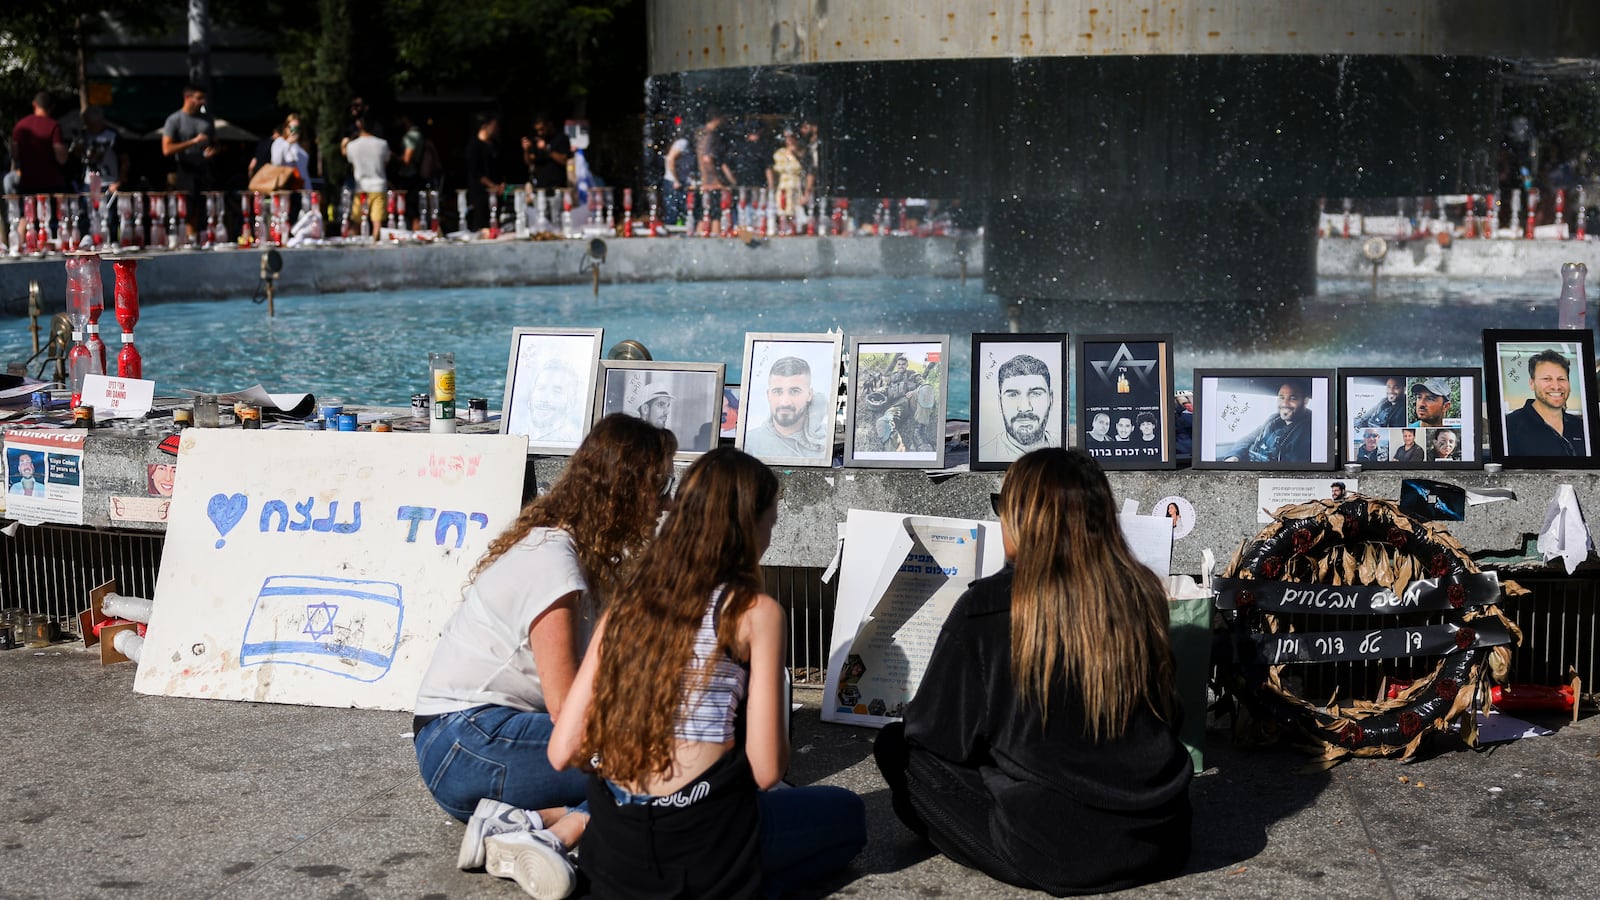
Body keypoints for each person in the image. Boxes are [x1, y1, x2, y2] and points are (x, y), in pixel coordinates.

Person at [548, 448, 867, 898]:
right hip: (703, 843)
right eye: (769, 525)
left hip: (615, 854)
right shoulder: (754, 612)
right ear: (745, 528)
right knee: (847, 815)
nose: (769, 540)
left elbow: (562, 751)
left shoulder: (624, 607)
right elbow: (766, 770)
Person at [874, 448, 1192, 895]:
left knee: (895, 748)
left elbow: (930, 736)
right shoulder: (1141, 593)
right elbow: (1169, 716)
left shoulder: (986, 608)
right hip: (1161, 839)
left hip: (1053, 853)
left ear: (1020, 518)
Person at [412, 415, 678, 899]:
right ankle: (554, 833)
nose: (667, 501)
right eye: (661, 485)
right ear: (625, 493)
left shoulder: (574, 552)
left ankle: (521, 824)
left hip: (470, 747)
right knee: (668, 766)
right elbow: (568, 706)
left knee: (660, 767)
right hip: (468, 742)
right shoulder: (553, 560)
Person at [1505, 349, 1587, 457]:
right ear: (1532, 383)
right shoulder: (1509, 426)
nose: (1556, 386)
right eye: (1547, 379)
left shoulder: (1581, 426)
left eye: (1561, 379)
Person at [744, 356, 829, 459]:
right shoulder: (749, 444)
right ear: (768, 395)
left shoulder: (828, 441)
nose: (785, 402)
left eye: (794, 391)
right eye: (777, 391)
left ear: (809, 394)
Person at [161, 84, 216, 240]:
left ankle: (204, 239)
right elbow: (166, 149)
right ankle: (188, 239)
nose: (202, 102)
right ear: (187, 98)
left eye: (204, 98)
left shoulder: (207, 119)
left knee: (205, 207)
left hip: (205, 168)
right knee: (188, 208)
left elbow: (216, 143)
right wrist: (193, 142)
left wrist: (213, 150)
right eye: (198, 98)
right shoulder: (175, 119)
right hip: (184, 169)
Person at [980, 354, 1055, 462]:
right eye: (1013, 395)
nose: (1024, 408)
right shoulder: (986, 454)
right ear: (999, 402)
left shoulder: (1063, 448)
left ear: (1051, 400)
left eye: (1035, 393)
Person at [1223, 380, 1313, 463]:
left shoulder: (1309, 431)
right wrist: (1234, 456)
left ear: (1305, 401)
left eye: (1293, 398)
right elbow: (1249, 438)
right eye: (1281, 398)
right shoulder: (1274, 419)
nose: (1285, 403)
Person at [11, 93, 69, 195]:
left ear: (34, 105)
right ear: (52, 107)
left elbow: (15, 155)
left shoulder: (20, 126)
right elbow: (62, 159)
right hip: (52, 185)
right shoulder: (53, 126)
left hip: (27, 184)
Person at [344, 115, 390, 235]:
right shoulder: (382, 144)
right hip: (378, 186)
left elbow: (350, 161)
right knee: (377, 223)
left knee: (357, 223)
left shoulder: (352, 145)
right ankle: (376, 248)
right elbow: (385, 163)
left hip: (361, 187)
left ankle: (353, 249)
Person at [464, 113, 503, 232]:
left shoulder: (494, 145)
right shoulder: (474, 146)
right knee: (482, 226)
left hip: (496, 195)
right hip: (480, 195)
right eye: (495, 125)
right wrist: (492, 186)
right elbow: (476, 172)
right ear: (486, 125)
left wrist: (500, 185)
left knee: (495, 224)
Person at [522, 115, 571, 190]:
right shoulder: (537, 140)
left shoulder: (561, 138)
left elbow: (564, 161)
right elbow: (529, 162)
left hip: (557, 187)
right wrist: (526, 150)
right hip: (540, 187)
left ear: (549, 125)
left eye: (542, 129)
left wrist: (547, 149)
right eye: (537, 130)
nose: (540, 133)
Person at [695, 109, 734, 192]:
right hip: (711, 184)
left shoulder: (700, 132)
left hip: (703, 180)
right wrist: (716, 179)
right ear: (716, 119)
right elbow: (707, 159)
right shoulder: (710, 135)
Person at [661, 126, 693, 225]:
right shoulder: (683, 143)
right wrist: (676, 180)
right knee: (674, 213)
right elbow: (670, 159)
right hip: (674, 183)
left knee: (677, 212)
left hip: (675, 181)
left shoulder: (681, 143)